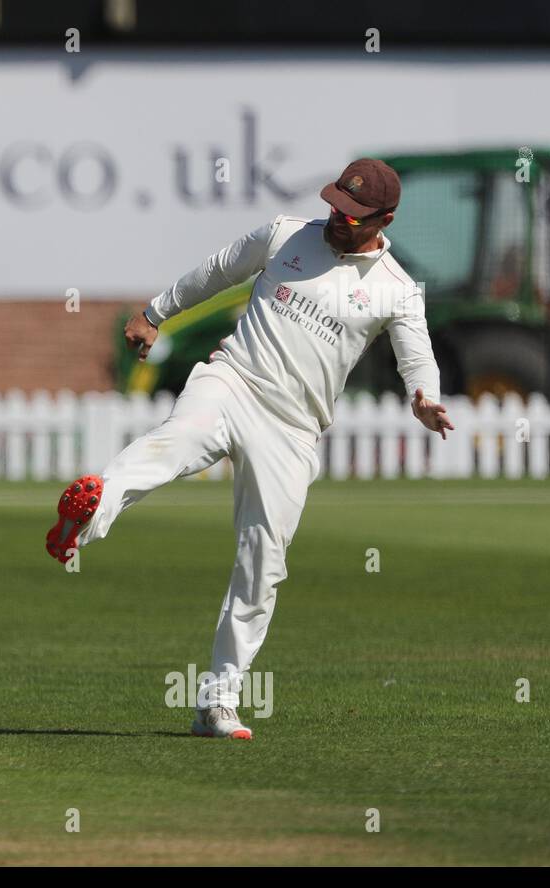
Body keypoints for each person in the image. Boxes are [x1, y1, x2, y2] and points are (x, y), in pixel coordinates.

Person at [46, 158, 453, 740]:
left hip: (293, 428)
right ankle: (86, 517)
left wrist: (424, 398)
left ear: (384, 219)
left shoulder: (396, 288)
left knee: (262, 563)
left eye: (354, 215)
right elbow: (215, 272)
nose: (338, 218)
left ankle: (217, 703)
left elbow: (417, 355)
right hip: (232, 380)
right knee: (175, 440)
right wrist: (154, 313)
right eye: (336, 204)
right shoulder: (286, 234)